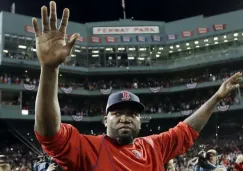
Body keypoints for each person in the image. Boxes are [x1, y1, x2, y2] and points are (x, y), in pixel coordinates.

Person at [32, 1, 242, 170]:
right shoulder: (88, 148)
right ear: (105, 120)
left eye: (132, 114)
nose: (125, 118)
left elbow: (186, 130)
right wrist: (49, 69)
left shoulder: (153, 147)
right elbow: (49, 134)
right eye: (117, 113)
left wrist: (216, 97)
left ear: (140, 121)